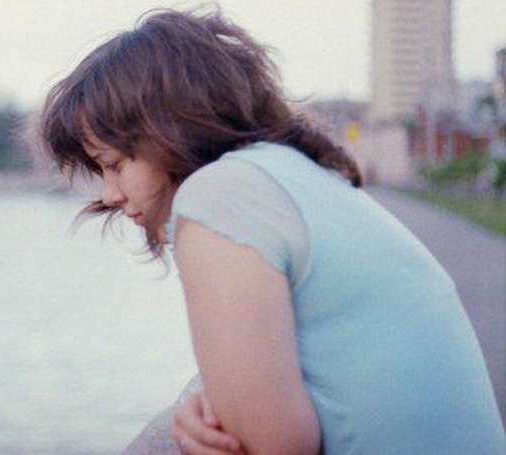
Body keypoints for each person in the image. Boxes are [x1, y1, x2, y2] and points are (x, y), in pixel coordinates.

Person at [36, 5, 506, 455]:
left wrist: (211, 415)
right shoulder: (290, 175)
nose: (110, 194)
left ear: (169, 133)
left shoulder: (217, 195)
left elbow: (276, 446)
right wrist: (212, 399)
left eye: (114, 165)